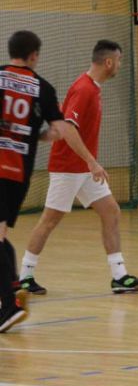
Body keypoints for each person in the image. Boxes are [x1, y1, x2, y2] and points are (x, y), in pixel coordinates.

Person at [18, 40, 138, 295]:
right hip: (68, 168)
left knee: (111, 212)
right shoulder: (84, 89)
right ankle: (24, 277)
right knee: (49, 221)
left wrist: (88, 164)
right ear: (108, 62)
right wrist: (92, 161)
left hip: (83, 170)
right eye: (119, 60)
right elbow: (68, 129)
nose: (120, 65)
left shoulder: (92, 88)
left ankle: (119, 277)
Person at [0, 31, 106, 332]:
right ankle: (13, 288)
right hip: (18, 172)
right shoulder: (42, 88)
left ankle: (10, 303)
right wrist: (34, 134)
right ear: (34, 55)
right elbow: (59, 131)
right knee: (1, 233)